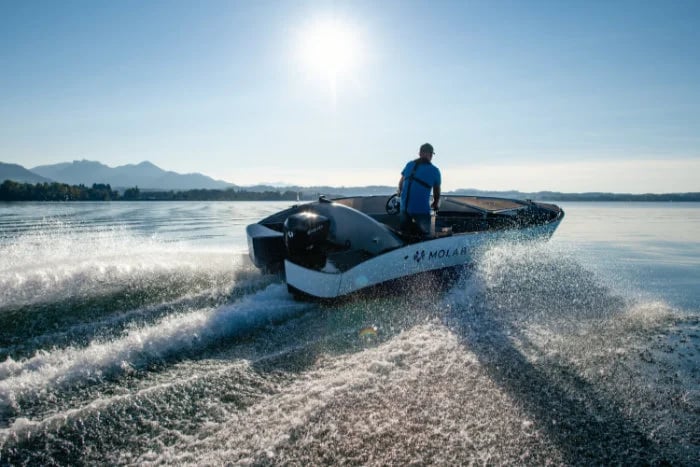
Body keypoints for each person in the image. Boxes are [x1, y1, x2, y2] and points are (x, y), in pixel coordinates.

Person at [397, 142, 441, 237]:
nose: (429, 156)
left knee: (404, 236)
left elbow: (401, 183)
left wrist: (400, 193)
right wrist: (435, 203)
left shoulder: (409, 165)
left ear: (419, 153)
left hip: (404, 209)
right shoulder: (434, 170)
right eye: (429, 154)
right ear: (430, 155)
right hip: (421, 211)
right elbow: (436, 191)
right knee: (424, 238)